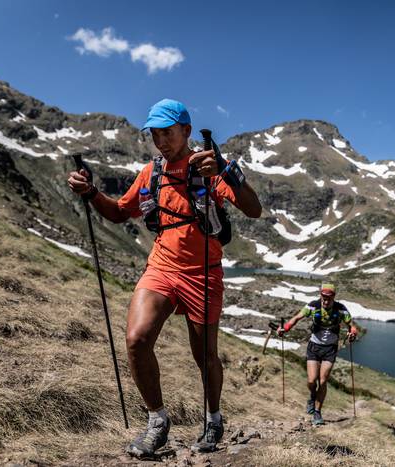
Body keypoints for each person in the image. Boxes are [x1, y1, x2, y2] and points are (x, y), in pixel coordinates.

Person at [67, 98, 262, 457]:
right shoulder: (151, 173)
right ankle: (158, 421)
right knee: (137, 340)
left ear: (186, 131)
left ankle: (214, 418)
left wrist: (224, 168)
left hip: (203, 273)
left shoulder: (208, 167)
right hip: (161, 268)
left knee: (205, 356)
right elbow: (117, 213)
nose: (161, 141)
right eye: (155, 135)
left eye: (167, 133)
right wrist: (92, 192)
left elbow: (254, 208)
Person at [278, 283, 358, 425]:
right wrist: (286, 328)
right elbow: (296, 318)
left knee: (323, 380)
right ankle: (312, 396)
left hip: (330, 349)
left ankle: (317, 412)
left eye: (329, 298)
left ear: (334, 296)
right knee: (311, 380)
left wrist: (353, 332)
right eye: (323, 297)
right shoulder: (313, 306)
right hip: (314, 346)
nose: (326, 301)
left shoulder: (341, 309)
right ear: (320, 295)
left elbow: (351, 324)